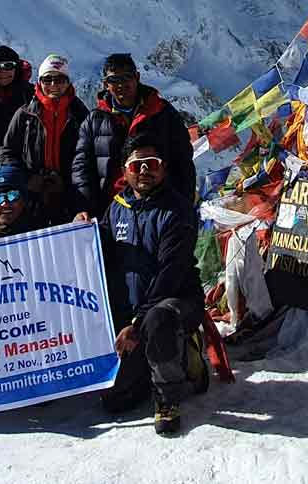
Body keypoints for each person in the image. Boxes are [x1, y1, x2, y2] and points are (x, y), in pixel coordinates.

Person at [88, 135, 206, 436]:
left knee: (158, 320)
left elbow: (171, 273)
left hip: (175, 301)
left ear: (163, 168)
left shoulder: (177, 210)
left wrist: (136, 322)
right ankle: (173, 359)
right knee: (116, 401)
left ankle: (168, 398)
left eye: (151, 164)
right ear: (125, 171)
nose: (144, 171)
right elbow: (100, 248)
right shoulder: (116, 208)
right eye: (136, 165)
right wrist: (84, 228)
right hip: (133, 309)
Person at [72, 53, 196, 218]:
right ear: (105, 84)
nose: (121, 84)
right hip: (110, 209)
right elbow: (82, 166)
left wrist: (183, 203)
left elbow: (183, 161)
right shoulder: (95, 120)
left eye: (126, 77)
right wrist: (84, 207)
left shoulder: (162, 113)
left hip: (159, 208)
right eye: (114, 80)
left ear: (137, 77)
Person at [0, 54, 89, 225]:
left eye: (60, 79)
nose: (53, 85)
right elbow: (7, 152)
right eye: (47, 80)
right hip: (31, 197)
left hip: (69, 195)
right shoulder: (25, 114)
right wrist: (26, 180)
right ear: (39, 82)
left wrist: (68, 183)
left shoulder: (80, 114)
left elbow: (88, 156)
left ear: (68, 82)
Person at [0, 46, 33, 186]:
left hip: (29, 174)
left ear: (17, 69)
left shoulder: (32, 97)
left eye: (8, 66)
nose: (3, 72)